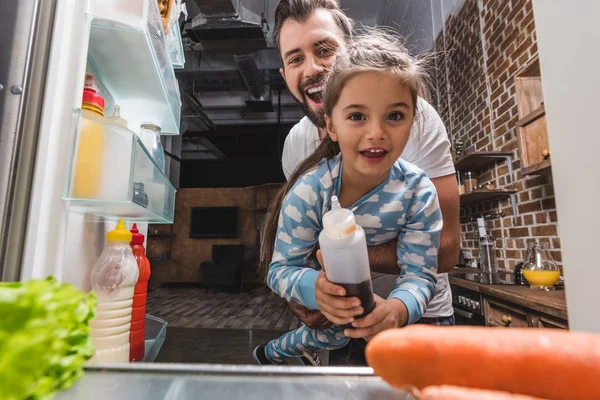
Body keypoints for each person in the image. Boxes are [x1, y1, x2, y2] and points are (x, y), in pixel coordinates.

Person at [253, 30, 442, 365]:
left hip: (387, 315)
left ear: (414, 121)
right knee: (323, 334)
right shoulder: (311, 190)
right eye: (357, 116)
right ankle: (272, 352)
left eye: (395, 116)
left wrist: (397, 310)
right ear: (332, 125)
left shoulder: (419, 192)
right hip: (330, 307)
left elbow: (419, 274)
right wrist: (315, 289)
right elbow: (280, 269)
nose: (376, 132)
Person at [274, 0, 459, 330]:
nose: (312, 68)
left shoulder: (416, 121)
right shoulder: (295, 145)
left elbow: (444, 250)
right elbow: (293, 256)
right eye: (296, 59)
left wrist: (336, 249)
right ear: (284, 73)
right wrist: (305, 293)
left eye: (324, 49)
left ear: (348, 50)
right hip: (339, 325)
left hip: (421, 316)